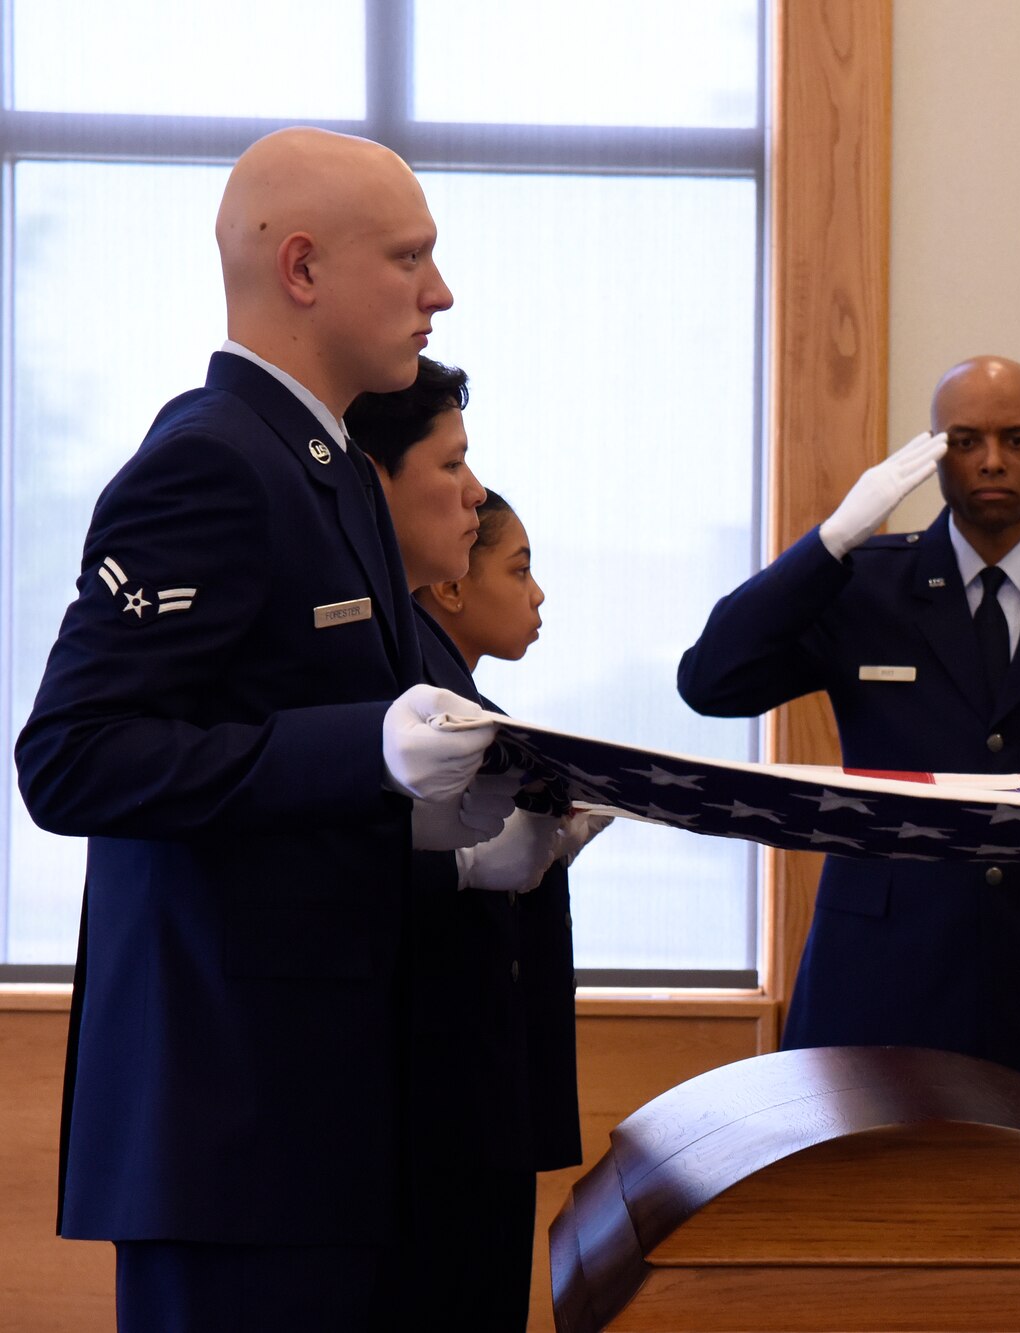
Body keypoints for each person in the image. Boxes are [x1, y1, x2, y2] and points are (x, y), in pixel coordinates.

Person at [14, 128, 506, 1331]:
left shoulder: (327, 464)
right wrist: (368, 749)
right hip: (232, 1117)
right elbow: (72, 756)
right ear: (300, 270)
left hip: (326, 1106)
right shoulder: (211, 465)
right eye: (409, 258)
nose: (438, 292)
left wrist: (472, 830)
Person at [678, 355, 1020, 1115]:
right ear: (933, 450)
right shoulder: (866, 582)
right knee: (872, 1224)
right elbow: (711, 681)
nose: (990, 460)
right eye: (965, 439)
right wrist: (830, 541)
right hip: (880, 976)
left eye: (1015, 439)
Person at [349, 359, 583, 1330]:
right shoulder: (418, 699)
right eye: (516, 567)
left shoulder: (459, 693)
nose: (536, 595)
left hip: (472, 1102)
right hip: (438, 1110)